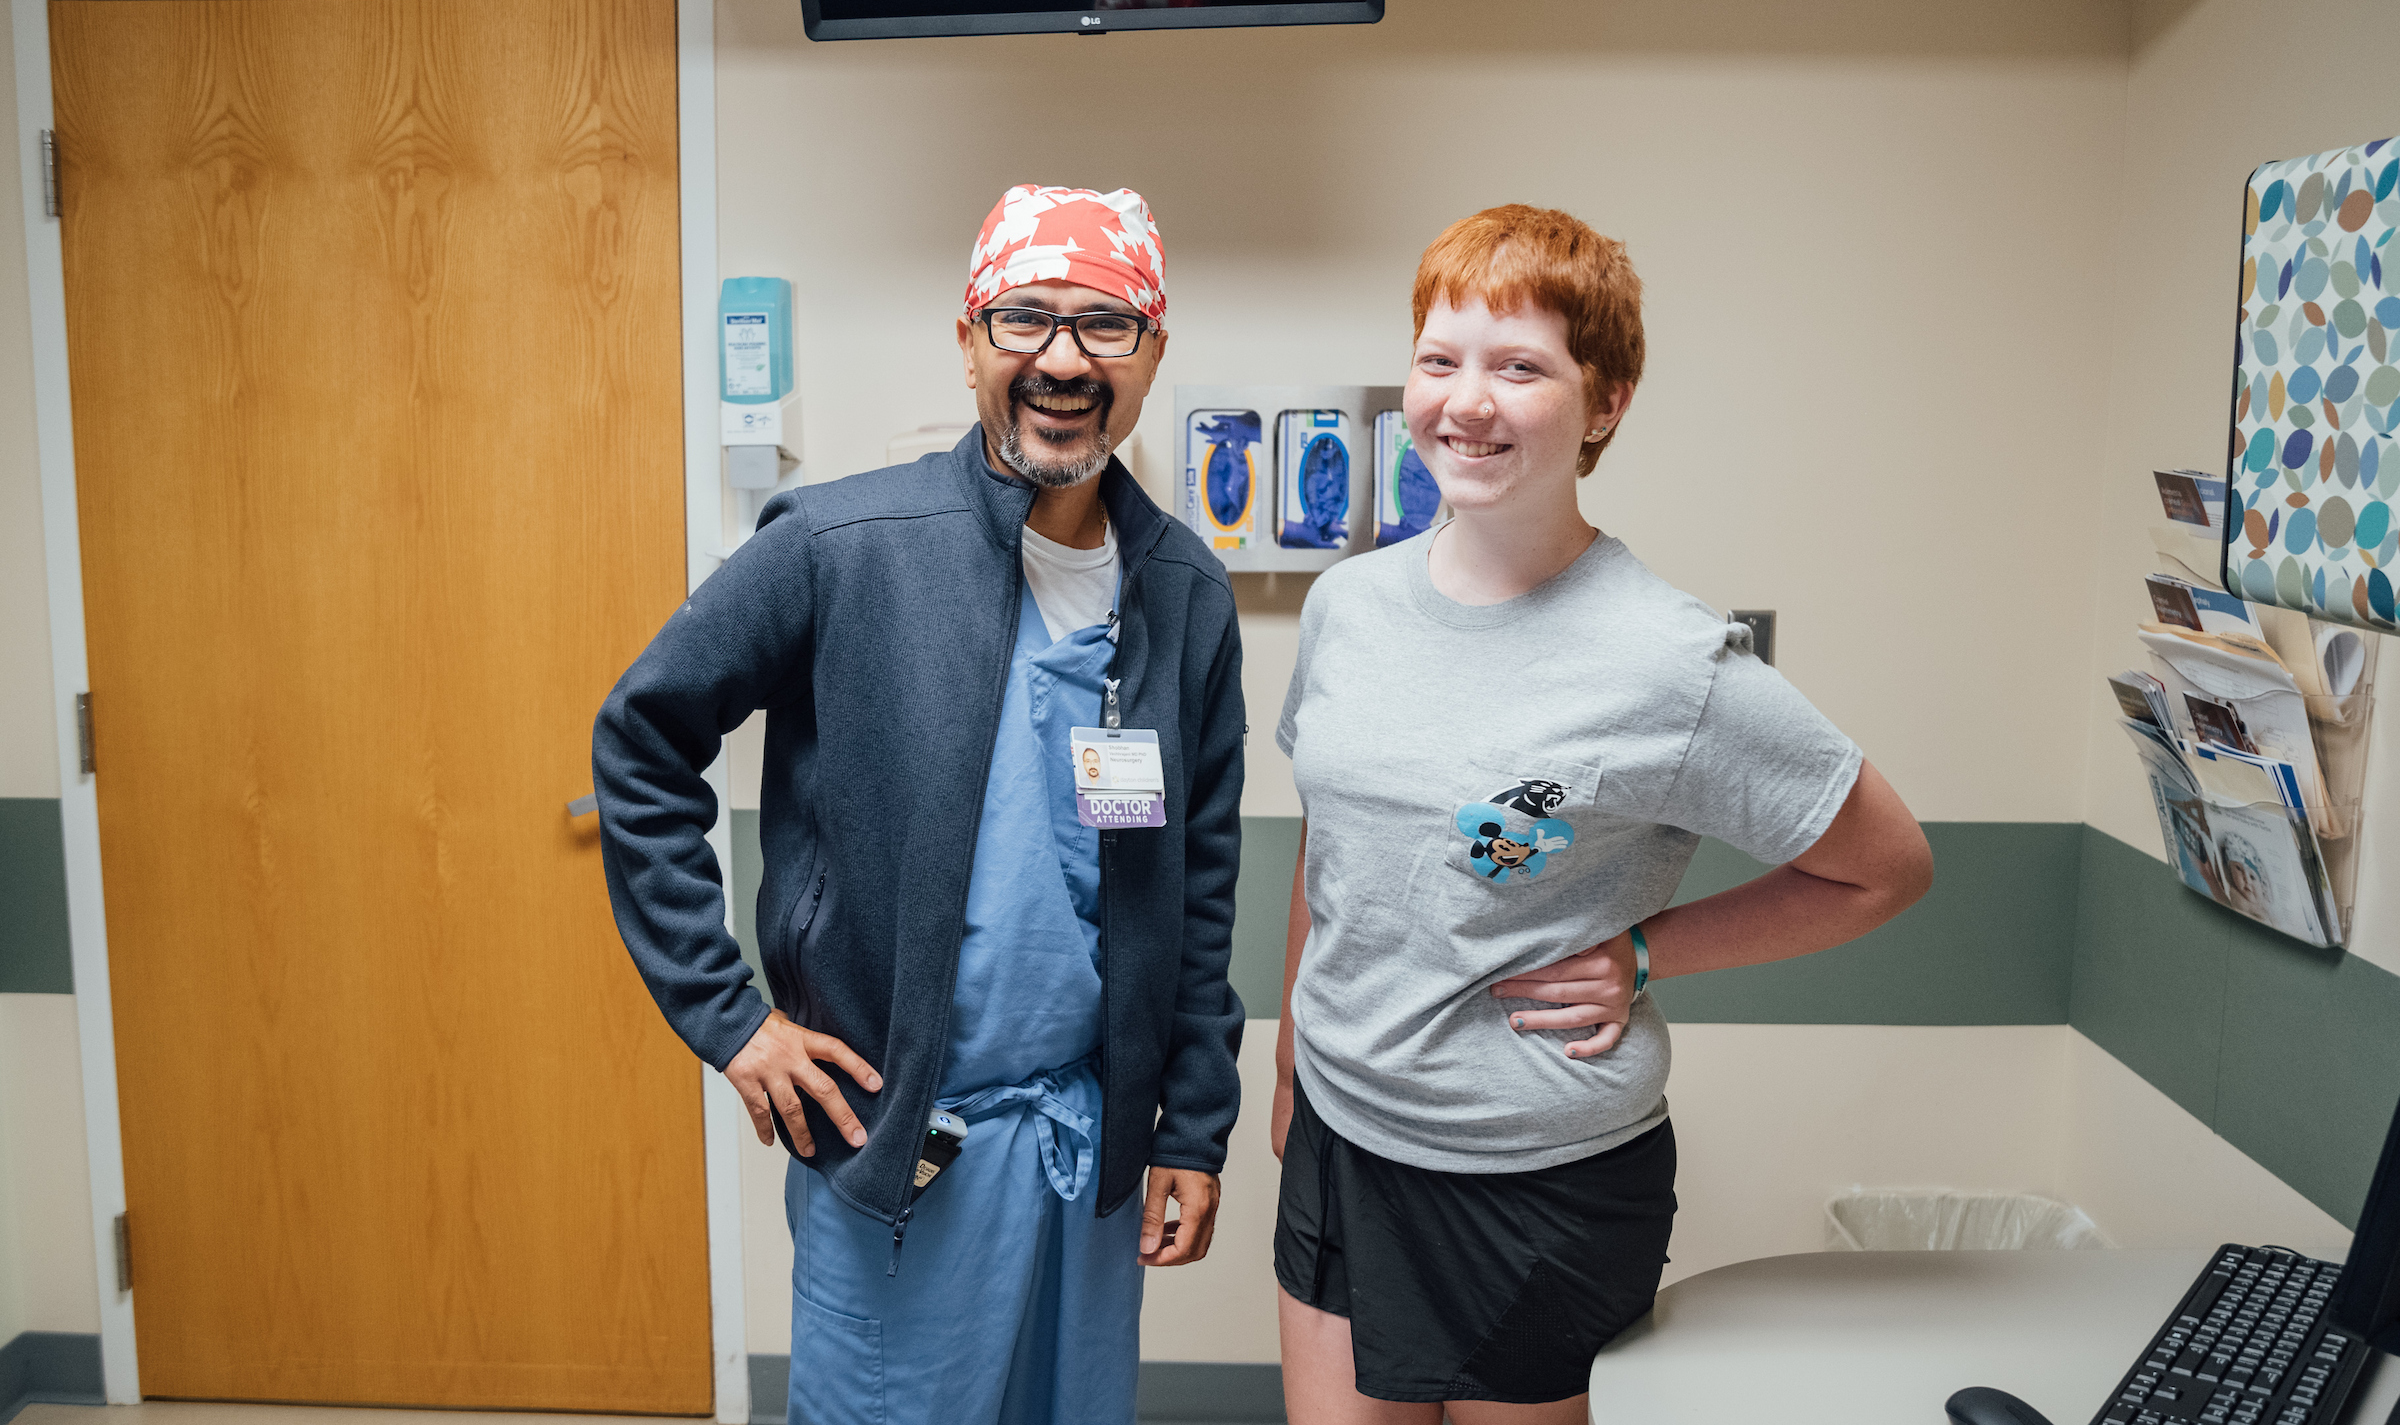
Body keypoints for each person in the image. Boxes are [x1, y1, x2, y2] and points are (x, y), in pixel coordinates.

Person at [592, 185, 1246, 1425]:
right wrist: (729, 1019)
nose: (1062, 358)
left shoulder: (1182, 595)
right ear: (968, 342)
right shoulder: (845, 546)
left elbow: (1198, 882)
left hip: (1088, 1153)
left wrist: (1192, 1127)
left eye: (1106, 324)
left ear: (1154, 351)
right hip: (904, 1148)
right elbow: (643, 736)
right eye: (1025, 318)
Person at [1270, 204, 1935, 1424]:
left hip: (1535, 1179)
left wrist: (1644, 952)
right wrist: (1290, 1057)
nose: (1466, 401)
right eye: (1440, 358)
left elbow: (1886, 867)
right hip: (1342, 1132)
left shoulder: (1666, 663)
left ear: (1607, 400)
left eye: (1519, 366)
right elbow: (1335, 837)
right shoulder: (1348, 606)